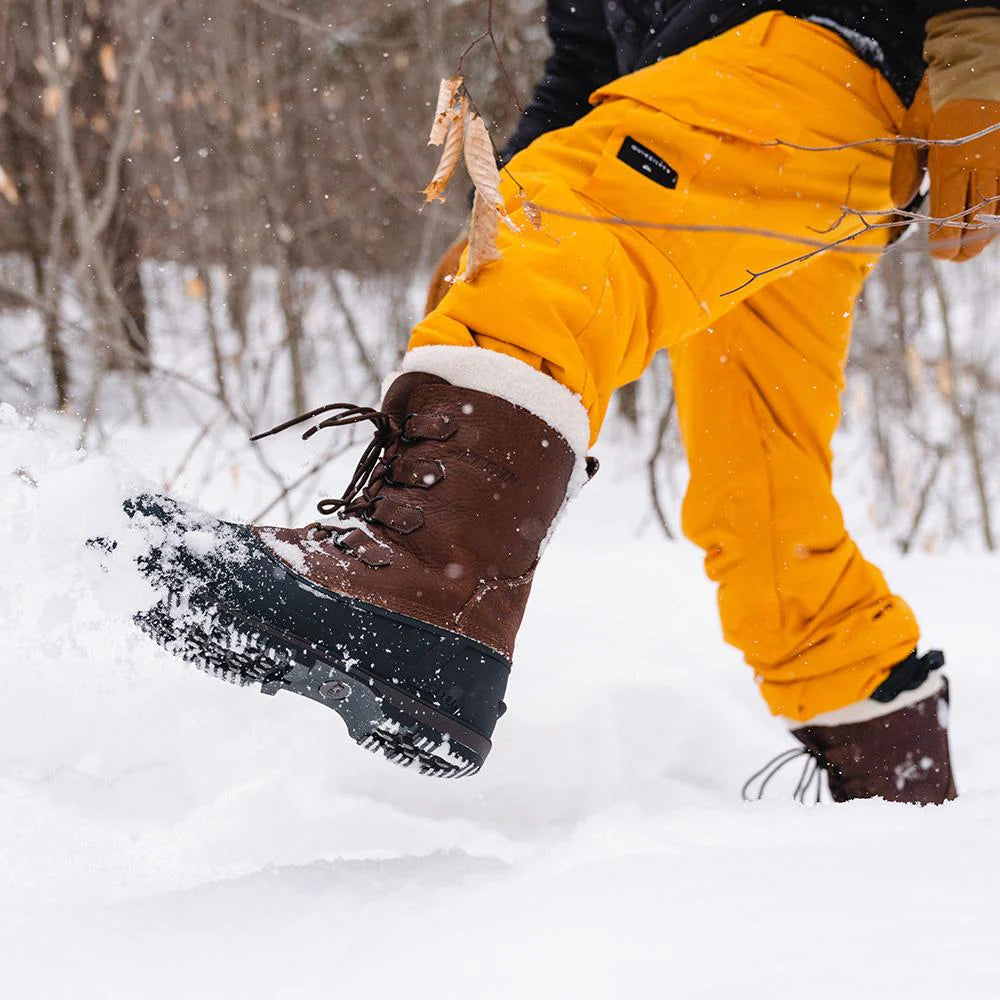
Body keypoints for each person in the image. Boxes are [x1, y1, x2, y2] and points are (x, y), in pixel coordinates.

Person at [129, 2, 1000, 800]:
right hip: (773, 148)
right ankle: (899, 789)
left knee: (556, 231)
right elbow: (581, 61)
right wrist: (501, 202)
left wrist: (980, 43)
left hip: (800, 61)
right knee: (761, 502)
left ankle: (429, 583)